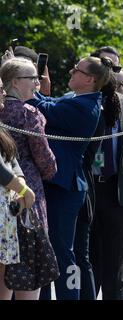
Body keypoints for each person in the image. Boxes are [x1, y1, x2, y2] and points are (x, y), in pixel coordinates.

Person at [27, 56, 109, 300]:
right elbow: (49, 102)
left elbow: (45, 108)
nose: (72, 72)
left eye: (77, 70)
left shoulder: (87, 106)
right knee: (45, 248)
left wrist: (27, 85)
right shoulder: (75, 99)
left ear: (89, 79)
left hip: (66, 187)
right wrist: (35, 88)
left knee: (62, 251)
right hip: (54, 183)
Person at [88, 50, 123, 300]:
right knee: (86, 259)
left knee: (115, 266)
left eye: (116, 68)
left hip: (116, 191)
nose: (112, 71)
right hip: (87, 190)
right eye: (106, 65)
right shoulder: (82, 99)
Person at [0, 57, 56, 231]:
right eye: (32, 78)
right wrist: (51, 171)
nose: (37, 82)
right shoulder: (29, 113)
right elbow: (44, 157)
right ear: (15, 82)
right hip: (26, 183)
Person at [0, 77, 37, 300]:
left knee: (5, 281)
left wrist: (21, 182)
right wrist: (23, 190)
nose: (3, 92)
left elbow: (11, 160)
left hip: (5, 217)